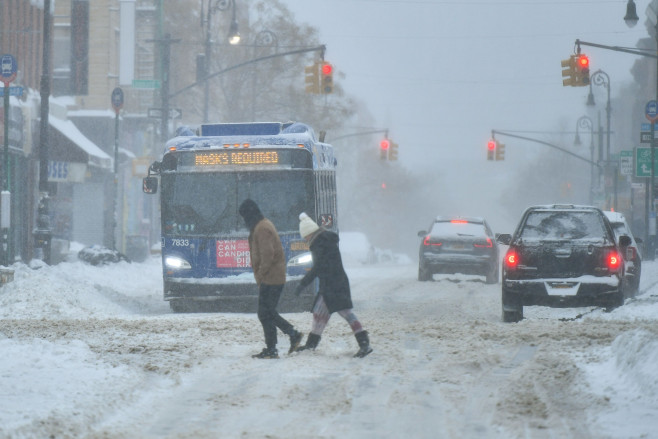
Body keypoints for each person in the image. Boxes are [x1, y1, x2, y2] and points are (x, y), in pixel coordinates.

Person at [293, 213, 373, 358]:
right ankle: (311, 345)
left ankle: (364, 344)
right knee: (319, 313)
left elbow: (317, 268)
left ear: (310, 234)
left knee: (346, 314)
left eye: (305, 237)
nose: (305, 240)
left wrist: (302, 284)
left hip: (334, 286)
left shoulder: (319, 244)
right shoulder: (324, 241)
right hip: (333, 284)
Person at [238, 199, 303, 359]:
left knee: (265, 312)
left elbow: (268, 254)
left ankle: (287, 337)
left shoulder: (262, 228)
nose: (244, 221)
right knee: (267, 312)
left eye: (244, 216)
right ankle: (279, 343)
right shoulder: (260, 226)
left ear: (249, 215)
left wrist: (260, 275)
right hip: (271, 277)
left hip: (271, 278)